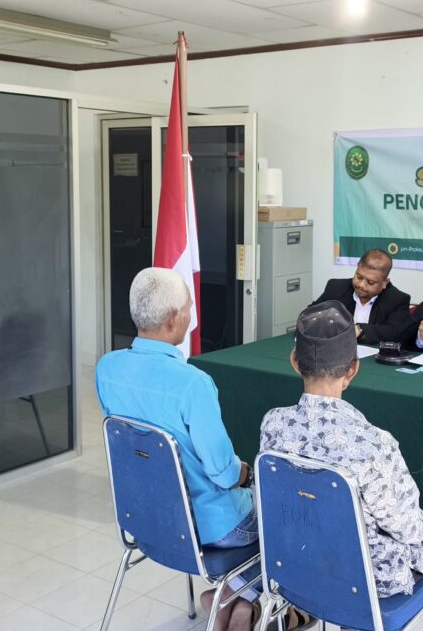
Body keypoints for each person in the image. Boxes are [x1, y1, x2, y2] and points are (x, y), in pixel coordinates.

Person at [95, 267, 312, 631]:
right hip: (209, 527)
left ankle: (231, 594)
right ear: (174, 318)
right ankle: (242, 594)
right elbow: (224, 474)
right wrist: (245, 471)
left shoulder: (106, 368)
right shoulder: (192, 383)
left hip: (144, 516)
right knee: (296, 515)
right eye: (189, 305)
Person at [260, 301, 423, 631]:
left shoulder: (273, 424)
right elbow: (409, 529)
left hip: (298, 562)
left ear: (294, 362)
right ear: (354, 369)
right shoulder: (373, 443)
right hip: (367, 578)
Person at [313, 248, 411, 345]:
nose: (361, 285)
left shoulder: (397, 300)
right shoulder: (336, 287)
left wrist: (360, 329)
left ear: (385, 283)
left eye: (371, 282)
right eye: (359, 277)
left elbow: (396, 333)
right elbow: (309, 315)